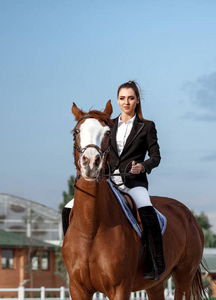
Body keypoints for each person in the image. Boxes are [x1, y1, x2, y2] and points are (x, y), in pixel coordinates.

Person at [62, 80, 164, 281]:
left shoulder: (147, 126)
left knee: (146, 208)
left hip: (133, 182)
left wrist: (143, 166)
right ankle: (71, 255)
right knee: (68, 207)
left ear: (137, 101)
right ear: (118, 101)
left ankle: (156, 262)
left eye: (131, 98)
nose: (126, 102)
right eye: (122, 98)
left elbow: (156, 157)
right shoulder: (107, 124)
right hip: (108, 181)